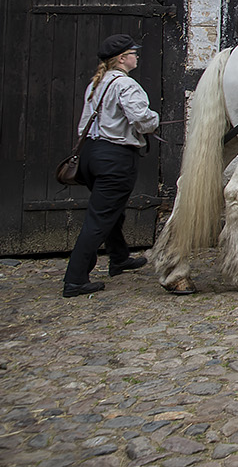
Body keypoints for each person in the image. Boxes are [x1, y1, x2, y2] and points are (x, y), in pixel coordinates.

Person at [62, 34, 160, 298]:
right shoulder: (125, 85)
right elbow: (142, 119)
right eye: (133, 53)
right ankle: (75, 280)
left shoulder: (97, 84)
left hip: (92, 155)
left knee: (111, 211)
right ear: (121, 59)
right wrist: (155, 120)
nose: (137, 56)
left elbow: (85, 123)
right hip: (114, 158)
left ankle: (119, 257)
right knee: (99, 218)